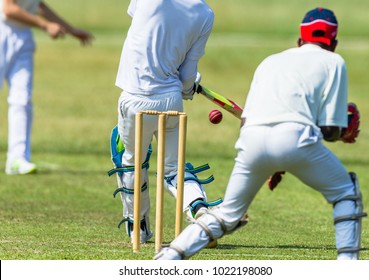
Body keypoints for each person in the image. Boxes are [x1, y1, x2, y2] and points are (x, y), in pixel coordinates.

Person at [154, 7, 367, 260]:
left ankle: (166, 260)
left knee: (226, 215)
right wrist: (344, 131)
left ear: (300, 41)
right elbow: (330, 131)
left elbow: (247, 123)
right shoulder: (334, 62)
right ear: (334, 43)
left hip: (251, 140)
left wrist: (272, 161)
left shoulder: (271, 61)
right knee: (345, 192)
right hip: (296, 139)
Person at [113, 0, 219, 244]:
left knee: (130, 159)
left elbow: (141, 27)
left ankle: (137, 227)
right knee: (173, 169)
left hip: (135, 97)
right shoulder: (205, 13)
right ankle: (199, 210)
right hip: (171, 99)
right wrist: (189, 86)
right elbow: (187, 77)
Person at [0, 0, 94, 175]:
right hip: (2, 32)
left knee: (22, 99)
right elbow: (9, 9)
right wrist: (45, 25)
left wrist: (71, 29)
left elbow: (37, 5)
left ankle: (17, 159)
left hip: (23, 36)